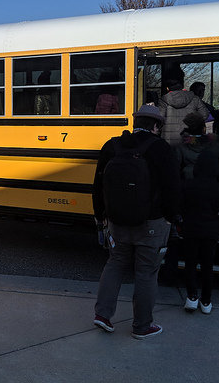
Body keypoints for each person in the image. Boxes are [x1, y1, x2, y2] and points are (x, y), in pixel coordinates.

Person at [92, 104, 181, 339]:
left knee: (115, 263)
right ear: (156, 126)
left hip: (116, 221)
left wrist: (100, 215)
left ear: (135, 123)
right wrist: (172, 218)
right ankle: (142, 326)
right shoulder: (161, 148)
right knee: (146, 272)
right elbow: (173, 187)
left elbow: (98, 184)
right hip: (152, 223)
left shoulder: (112, 146)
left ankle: (102, 315)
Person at [182, 151, 219, 314]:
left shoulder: (187, 185)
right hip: (211, 231)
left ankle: (192, 297)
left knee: (190, 264)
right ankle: (206, 300)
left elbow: (179, 206)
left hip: (191, 229)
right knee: (207, 266)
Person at [174, 112, 219, 180]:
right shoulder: (212, 143)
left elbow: (175, 167)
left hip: (189, 179)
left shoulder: (181, 145)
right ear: (203, 128)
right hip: (209, 179)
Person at [159, 77, 209, 146]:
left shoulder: (164, 100)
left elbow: (160, 118)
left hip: (168, 139)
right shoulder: (194, 98)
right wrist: (193, 122)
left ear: (168, 88)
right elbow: (204, 115)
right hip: (189, 138)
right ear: (181, 86)